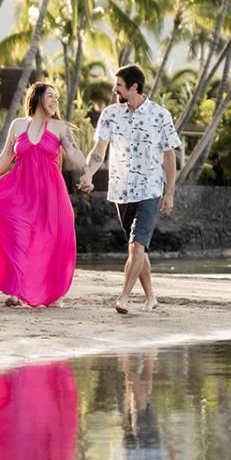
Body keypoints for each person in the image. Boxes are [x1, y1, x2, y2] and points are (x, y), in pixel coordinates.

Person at [0, 82, 87, 308]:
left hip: (52, 197)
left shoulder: (60, 127)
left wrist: (87, 170)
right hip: (20, 194)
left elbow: (73, 152)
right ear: (37, 97)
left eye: (56, 98)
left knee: (52, 240)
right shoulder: (18, 125)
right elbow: (5, 157)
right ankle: (16, 289)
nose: (54, 101)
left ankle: (52, 292)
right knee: (19, 239)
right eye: (50, 96)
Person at [79, 64, 183, 314]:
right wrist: (89, 173)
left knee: (136, 246)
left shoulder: (160, 115)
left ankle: (123, 297)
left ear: (134, 86)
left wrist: (170, 192)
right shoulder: (110, 114)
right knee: (138, 247)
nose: (115, 89)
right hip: (121, 191)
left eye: (119, 85)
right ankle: (151, 297)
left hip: (150, 189)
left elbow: (169, 156)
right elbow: (99, 150)